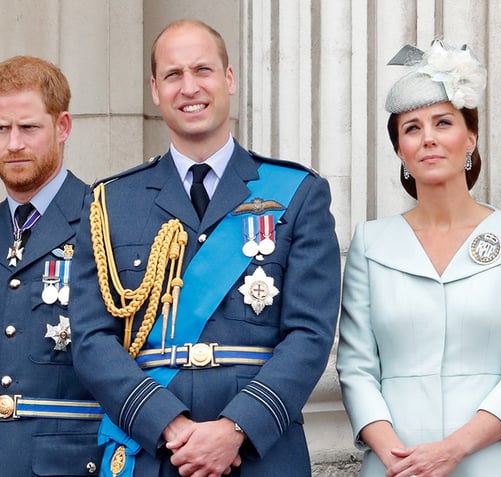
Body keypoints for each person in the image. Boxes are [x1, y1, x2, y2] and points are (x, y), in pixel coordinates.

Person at [69, 19, 341, 477]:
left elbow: (310, 335)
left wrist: (235, 428)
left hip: (258, 453)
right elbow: (93, 339)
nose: (189, 87)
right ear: (155, 90)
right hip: (154, 450)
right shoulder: (111, 202)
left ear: (229, 79)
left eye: (203, 70)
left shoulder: (298, 192)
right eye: (173, 75)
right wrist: (169, 426)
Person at [337, 40, 501, 477]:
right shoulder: (371, 242)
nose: (429, 138)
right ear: (399, 149)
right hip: (393, 463)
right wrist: (399, 458)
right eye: (412, 128)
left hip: (489, 460)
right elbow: (356, 367)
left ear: (469, 136)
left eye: (442, 122)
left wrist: (451, 450)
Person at [0, 55, 104, 477]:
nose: (14, 143)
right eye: (1, 128)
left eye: (29, 128)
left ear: (62, 126)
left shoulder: (105, 224)